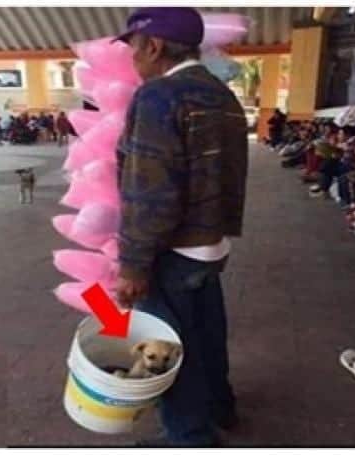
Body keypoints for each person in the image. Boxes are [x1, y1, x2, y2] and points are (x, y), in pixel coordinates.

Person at [112, 7, 248, 447]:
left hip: (172, 248)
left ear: (153, 46)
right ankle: (220, 407)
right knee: (207, 333)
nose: (132, 58)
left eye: (133, 47)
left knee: (170, 348)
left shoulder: (158, 97)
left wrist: (133, 265)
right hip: (211, 241)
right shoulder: (222, 95)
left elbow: (152, 190)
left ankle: (189, 437)